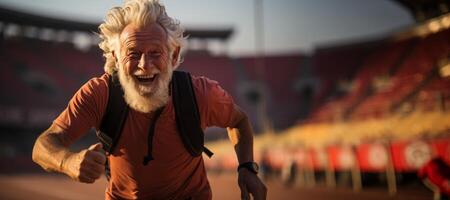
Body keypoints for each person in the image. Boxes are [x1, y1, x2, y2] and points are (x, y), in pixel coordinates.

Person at [31, 0, 267, 199]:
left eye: (155, 53)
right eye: (133, 53)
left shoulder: (199, 93)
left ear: (174, 56)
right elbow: (43, 145)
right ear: (115, 56)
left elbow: (239, 121)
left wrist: (247, 167)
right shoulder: (99, 93)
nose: (145, 65)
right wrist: (68, 162)